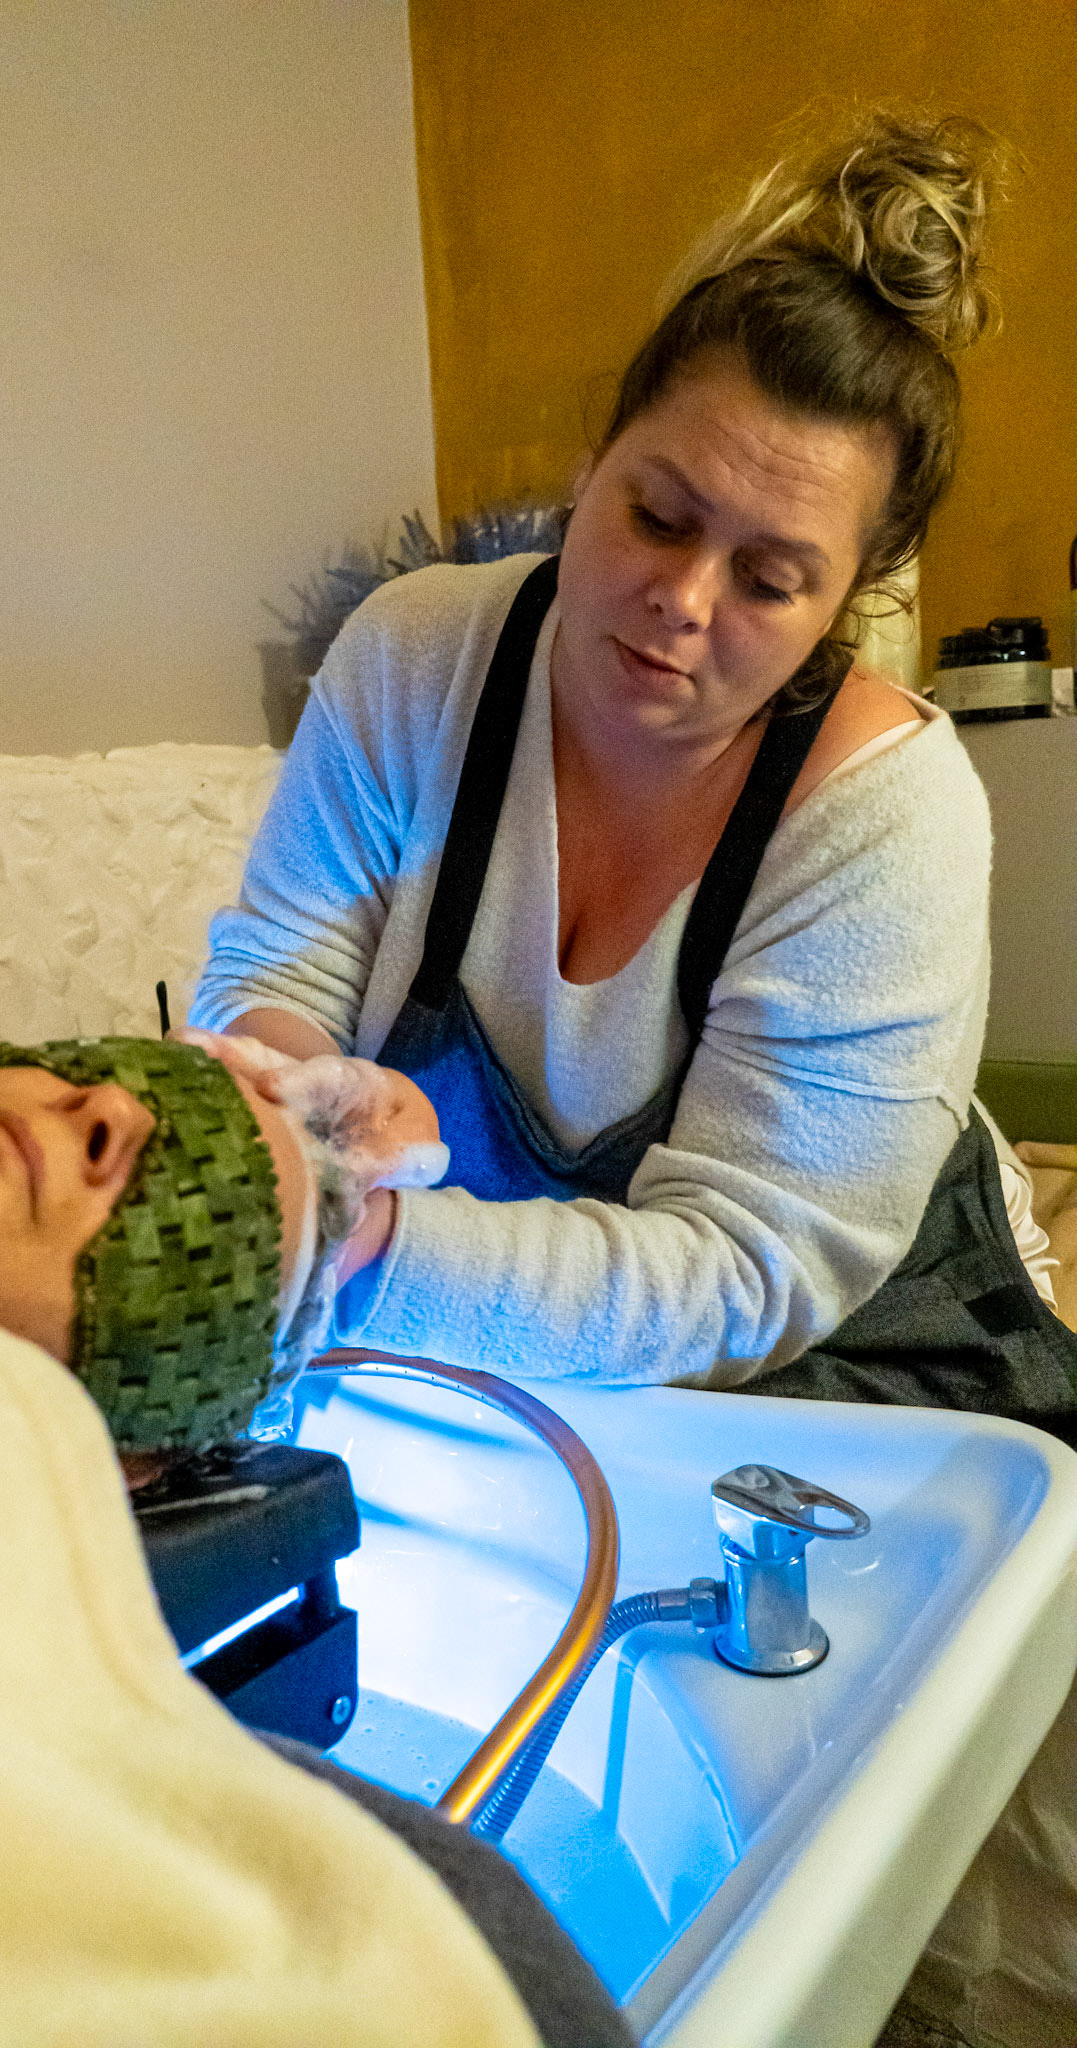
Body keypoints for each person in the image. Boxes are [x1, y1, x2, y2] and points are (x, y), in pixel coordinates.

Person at [192, 106, 1077, 1427]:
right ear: (590, 463)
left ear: (848, 600)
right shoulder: (415, 660)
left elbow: (745, 1269)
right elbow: (281, 976)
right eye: (656, 516)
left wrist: (366, 1245)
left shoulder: (889, 812)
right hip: (506, 1331)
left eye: (769, 581)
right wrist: (276, 1124)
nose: (683, 599)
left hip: (850, 1342)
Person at [0, 1032, 633, 2048]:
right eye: (98, 1068)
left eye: (199, 1209)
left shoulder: (357, 1924)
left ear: (133, 1458)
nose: (107, 1108)